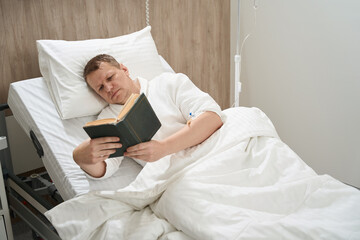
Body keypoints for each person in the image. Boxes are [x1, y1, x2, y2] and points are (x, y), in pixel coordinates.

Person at [73, 54, 223, 179]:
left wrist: (164, 148)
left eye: (110, 78)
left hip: (212, 152)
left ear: (124, 69)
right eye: (100, 88)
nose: (108, 88)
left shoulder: (168, 83)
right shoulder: (108, 120)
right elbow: (106, 168)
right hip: (175, 176)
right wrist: (82, 159)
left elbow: (212, 117)